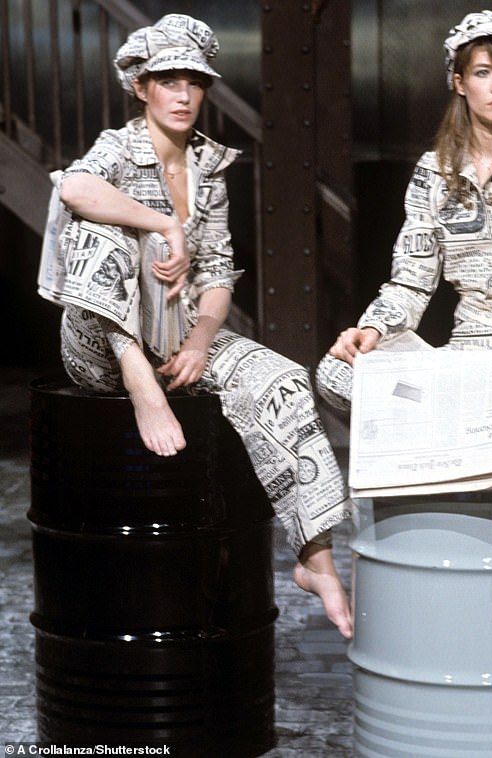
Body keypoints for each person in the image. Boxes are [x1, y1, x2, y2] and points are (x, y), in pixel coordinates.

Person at [40, 14, 353, 639]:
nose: (183, 95)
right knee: (100, 230)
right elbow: (73, 188)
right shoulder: (119, 147)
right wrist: (163, 224)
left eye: (195, 81)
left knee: (283, 379)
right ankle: (142, 387)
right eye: (168, 80)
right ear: (140, 87)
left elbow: (217, 278)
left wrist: (201, 341)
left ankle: (315, 558)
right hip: (100, 348)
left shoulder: (210, 167)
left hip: (174, 337)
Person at [317, 9, 492, 681]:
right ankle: (413, 496)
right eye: (484, 72)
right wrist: (372, 330)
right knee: (337, 374)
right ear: (458, 82)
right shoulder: (432, 174)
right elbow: (410, 280)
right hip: (470, 345)